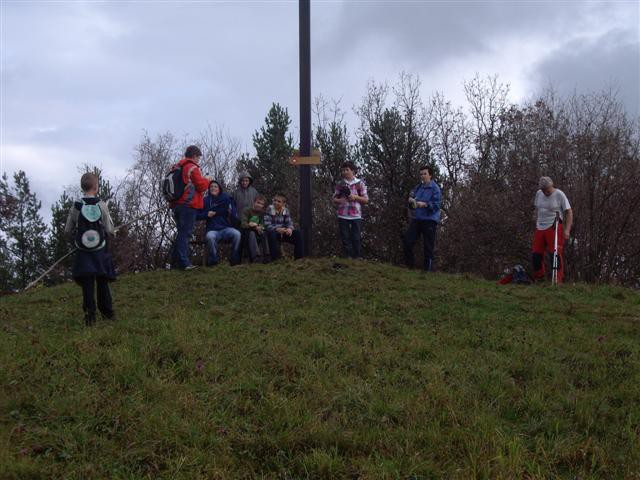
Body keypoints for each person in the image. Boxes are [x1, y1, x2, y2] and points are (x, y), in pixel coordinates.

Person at [65, 172, 116, 326]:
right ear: (96, 186)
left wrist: (73, 238)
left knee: (87, 285)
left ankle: (90, 316)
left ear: (83, 187)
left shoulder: (76, 206)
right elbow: (109, 228)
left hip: (83, 251)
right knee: (102, 281)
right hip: (100, 251)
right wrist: (112, 233)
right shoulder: (101, 205)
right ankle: (107, 314)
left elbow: (68, 229)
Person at [170, 145, 211, 270]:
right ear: (194, 156)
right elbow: (201, 186)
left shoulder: (178, 167)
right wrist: (208, 180)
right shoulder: (192, 167)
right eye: (198, 157)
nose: (199, 160)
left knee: (181, 233)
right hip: (188, 205)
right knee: (185, 234)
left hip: (176, 205)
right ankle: (184, 263)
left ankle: (174, 263)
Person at [532, 176, 573, 283]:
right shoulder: (539, 194)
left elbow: (569, 212)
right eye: (543, 190)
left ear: (551, 186)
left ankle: (557, 280)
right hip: (540, 226)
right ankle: (539, 278)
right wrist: (535, 221)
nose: (546, 192)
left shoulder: (559, 194)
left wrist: (567, 230)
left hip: (554, 226)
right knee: (536, 254)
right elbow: (537, 209)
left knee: (555, 254)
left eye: (547, 190)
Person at [403, 165, 441, 271]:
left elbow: (437, 206)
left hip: (430, 220)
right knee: (407, 241)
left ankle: (426, 272)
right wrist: (411, 200)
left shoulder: (435, 189)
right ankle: (410, 268)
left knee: (428, 247)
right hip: (417, 219)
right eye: (421, 174)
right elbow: (411, 195)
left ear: (430, 175)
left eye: (425, 174)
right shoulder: (418, 187)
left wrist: (424, 204)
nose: (422, 176)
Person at [196, 180, 241, 266]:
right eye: (211, 187)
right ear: (209, 189)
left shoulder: (226, 198)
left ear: (219, 189)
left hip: (225, 228)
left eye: (215, 186)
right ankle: (213, 261)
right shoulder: (205, 200)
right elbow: (197, 215)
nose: (213, 188)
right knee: (209, 237)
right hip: (212, 230)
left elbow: (233, 212)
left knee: (237, 234)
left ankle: (234, 260)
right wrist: (206, 214)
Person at [332, 161, 368, 259]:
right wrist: (340, 200)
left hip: (356, 215)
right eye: (343, 170)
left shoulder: (360, 183)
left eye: (347, 170)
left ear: (353, 171)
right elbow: (334, 199)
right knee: (345, 237)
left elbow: (366, 200)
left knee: (356, 237)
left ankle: (357, 257)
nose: (344, 172)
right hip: (342, 214)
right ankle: (348, 257)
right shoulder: (340, 184)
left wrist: (355, 197)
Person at [264, 193, 304, 261]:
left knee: (298, 234)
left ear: (283, 204)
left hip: (283, 232)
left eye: (279, 201)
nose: (276, 202)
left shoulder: (285, 210)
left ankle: (298, 258)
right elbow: (267, 224)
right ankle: (274, 259)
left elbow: (289, 222)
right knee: (272, 234)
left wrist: (290, 229)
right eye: (275, 200)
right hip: (273, 232)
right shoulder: (269, 209)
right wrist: (277, 229)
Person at [240, 195, 268, 263]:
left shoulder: (263, 213)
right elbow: (243, 224)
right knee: (251, 233)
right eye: (258, 203)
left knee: (264, 233)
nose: (259, 205)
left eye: (262, 204)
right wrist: (254, 226)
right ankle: (256, 257)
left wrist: (260, 227)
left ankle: (267, 255)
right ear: (254, 202)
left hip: (258, 232)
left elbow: (264, 225)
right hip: (247, 233)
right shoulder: (246, 210)